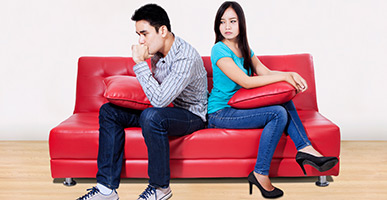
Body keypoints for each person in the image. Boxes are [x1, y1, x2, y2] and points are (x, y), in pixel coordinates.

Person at [76, 4, 208, 200]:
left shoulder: (185, 56)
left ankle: (160, 188)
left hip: (192, 116)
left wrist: (139, 64)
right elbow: (158, 96)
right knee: (109, 111)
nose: (140, 40)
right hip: (167, 112)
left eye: (144, 33)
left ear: (162, 30)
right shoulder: (157, 53)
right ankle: (106, 189)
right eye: (138, 34)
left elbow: (160, 100)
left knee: (152, 116)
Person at [208, 1, 338, 199]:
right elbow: (246, 81)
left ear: (241, 24)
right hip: (221, 112)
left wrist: (291, 74)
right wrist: (285, 77)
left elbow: (266, 73)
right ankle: (260, 173)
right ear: (217, 26)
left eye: (232, 21)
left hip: (240, 106)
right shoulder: (218, 49)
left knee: (283, 97)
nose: (227, 27)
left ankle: (305, 148)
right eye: (222, 22)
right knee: (277, 113)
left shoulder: (246, 50)